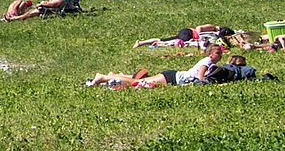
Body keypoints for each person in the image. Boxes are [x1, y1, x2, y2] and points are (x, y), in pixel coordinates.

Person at [88, 45, 223, 89]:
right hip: (174, 78)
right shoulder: (207, 61)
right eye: (217, 52)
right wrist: (203, 82)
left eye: (221, 52)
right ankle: (104, 77)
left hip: (173, 76)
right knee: (140, 83)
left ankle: (111, 76)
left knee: (141, 81)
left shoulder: (210, 62)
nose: (220, 55)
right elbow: (201, 73)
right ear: (210, 54)